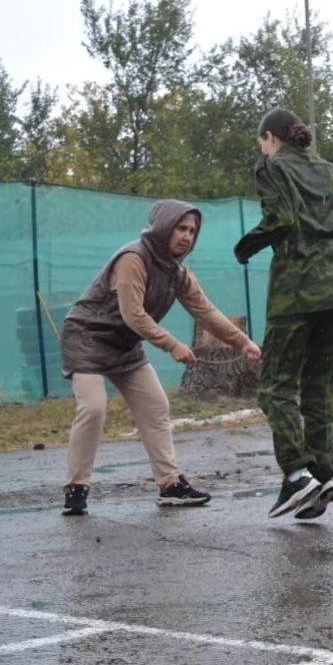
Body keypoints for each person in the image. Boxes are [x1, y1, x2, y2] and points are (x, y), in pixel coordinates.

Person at [60, 200, 262, 516]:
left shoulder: (177, 272)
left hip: (125, 345)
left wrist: (243, 342)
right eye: (181, 228)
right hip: (87, 337)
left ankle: (170, 485)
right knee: (94, 407)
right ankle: (76, 487)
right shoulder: (133, 258)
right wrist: (171, 345)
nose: (187, 236)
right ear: (163, 227)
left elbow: (205, 312)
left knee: (156, 404)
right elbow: (133, 313)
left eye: (192, 231)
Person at [234, 108, 333, 518]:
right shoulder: (332, 171)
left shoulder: (271, 167)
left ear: (271, 139)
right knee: (317, 387)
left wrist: (247, 246)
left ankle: (295, 474)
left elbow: (282, 218)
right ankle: (322, 473)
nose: (263, 151)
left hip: (297, 292)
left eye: (263, 144)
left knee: (275, 386)